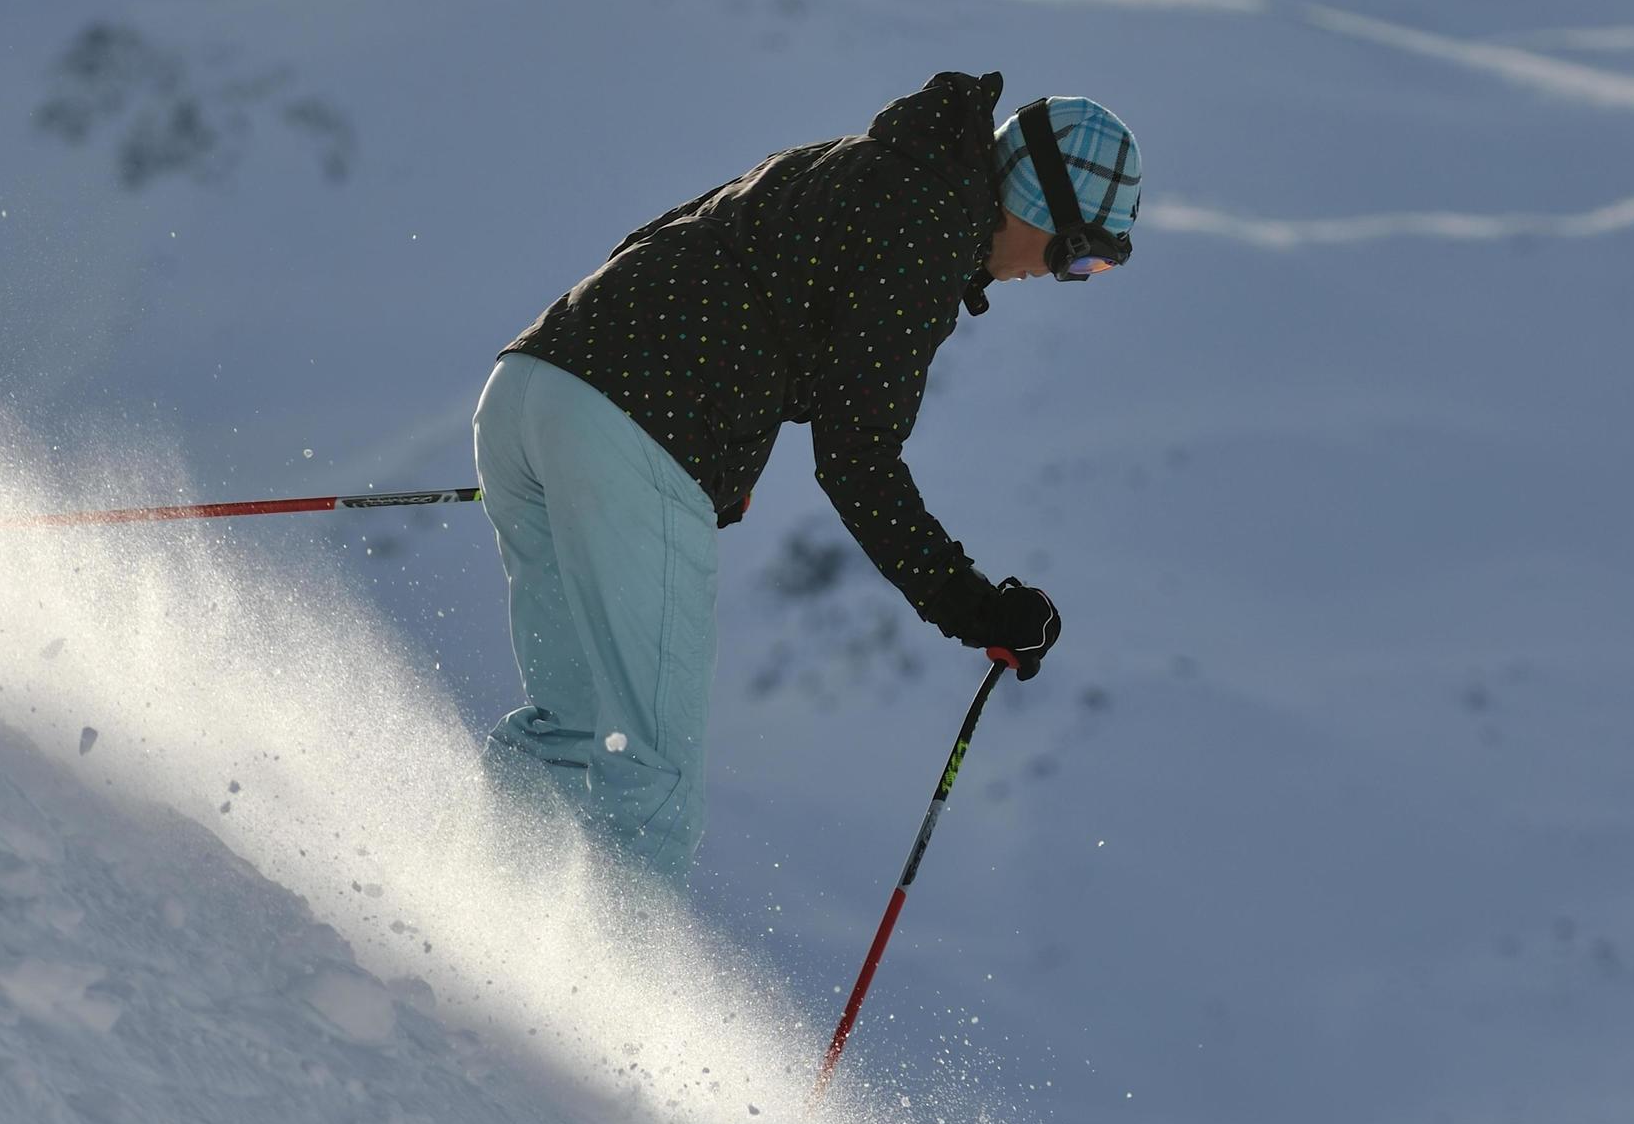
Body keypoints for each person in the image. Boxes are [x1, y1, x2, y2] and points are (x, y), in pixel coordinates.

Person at [471, 70, 1140, 879]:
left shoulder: (855, 163)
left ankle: (477, 915)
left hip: (531, 384)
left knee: (572, 727)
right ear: (1043, 211)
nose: (1061, 279)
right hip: (633, 434)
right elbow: (857, 459)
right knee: (653, 781)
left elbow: (670, 238)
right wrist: (974, 606)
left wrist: (636, 433)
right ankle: (583, 1003)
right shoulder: (928, 233)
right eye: (1084, 260)